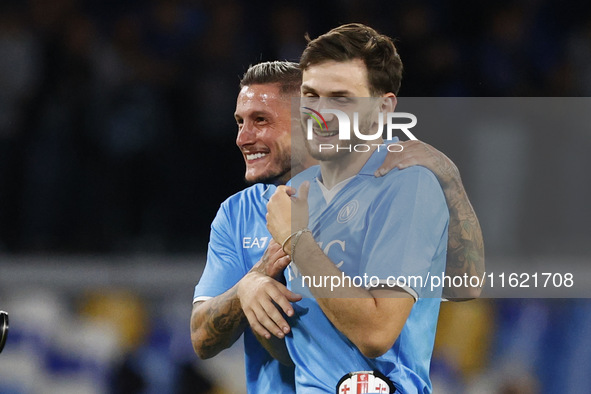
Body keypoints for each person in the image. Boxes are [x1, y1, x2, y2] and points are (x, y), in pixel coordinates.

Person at [190, 59, 484, 392]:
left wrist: (449, 178)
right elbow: (201, 338)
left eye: (261, 120)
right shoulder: (236, 213)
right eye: (240, 122)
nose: (243, 137)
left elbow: (464, 285)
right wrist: (247, 287)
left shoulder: (383, 189)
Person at [262, 23, 453, 393]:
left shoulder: (407, 185)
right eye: (311, 95)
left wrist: (296, 241)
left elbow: (376, 332)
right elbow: (302, 348)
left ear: (384, 108)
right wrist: (255, 289)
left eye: (341, 98)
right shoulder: (298, 194)